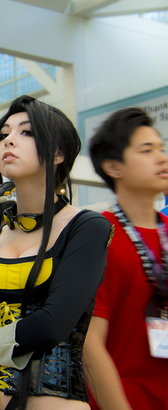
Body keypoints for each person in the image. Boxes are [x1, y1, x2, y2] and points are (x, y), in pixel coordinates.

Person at [0, 95, 113, 410]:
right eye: (3, 135)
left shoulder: (87, 227)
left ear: (58, 153)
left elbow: (52, 326)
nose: (8, 140)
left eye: (26, 132)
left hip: (51, 399)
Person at [84, 107, 168, 410]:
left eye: (161, 148)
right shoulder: (98, 236)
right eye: (147, 150)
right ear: (114, 167)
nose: (161, 157)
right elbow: (91, 346)